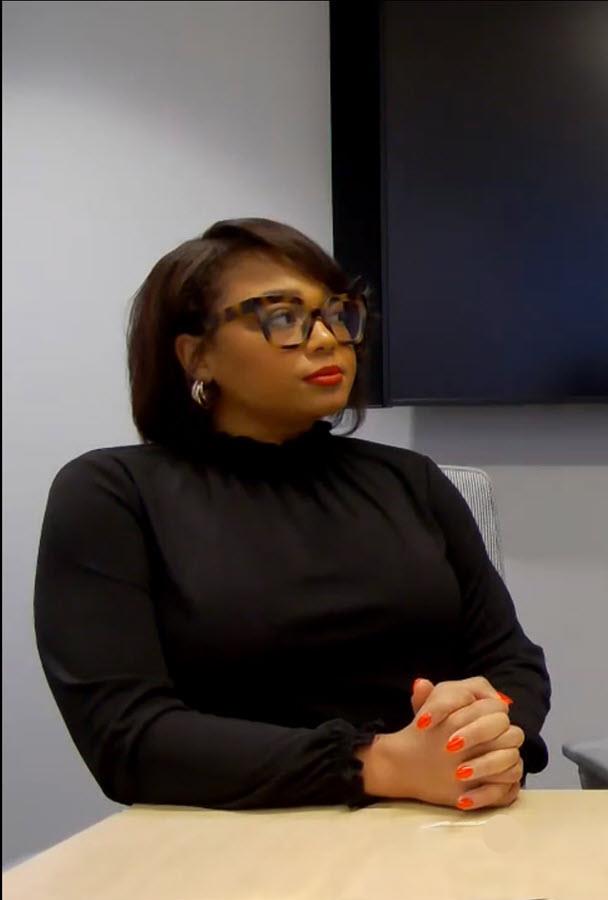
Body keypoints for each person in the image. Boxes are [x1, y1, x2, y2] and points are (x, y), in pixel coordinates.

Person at [34, 218, 550, 813]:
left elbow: (510, 660)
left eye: (338, 313)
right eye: (282, 318)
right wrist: (376, 763)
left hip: (442, 819)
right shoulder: (111, 493)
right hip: (228, 836)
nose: (328, 337)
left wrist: (491, 735)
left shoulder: (412, 482)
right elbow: (127, 737)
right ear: (196, 355)